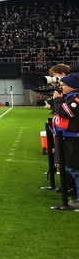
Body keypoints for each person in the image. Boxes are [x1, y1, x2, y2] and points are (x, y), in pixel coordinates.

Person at [51, 73, 79, 209]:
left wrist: (57, 100)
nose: (61, 88)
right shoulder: (70, 97)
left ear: (72, 87)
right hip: (69, 137)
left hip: (75, 139)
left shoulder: (76, 99)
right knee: (71, 168)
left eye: (63, 85)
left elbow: (65, 112)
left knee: (76, 170)